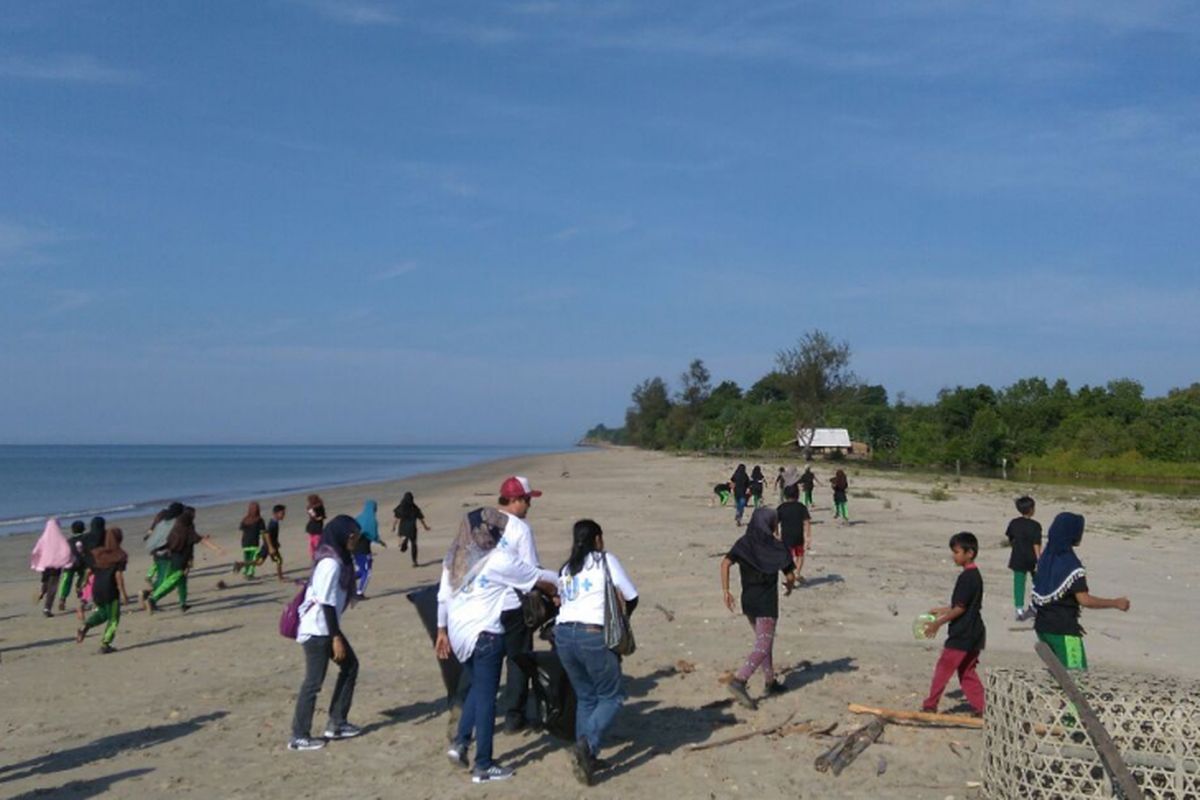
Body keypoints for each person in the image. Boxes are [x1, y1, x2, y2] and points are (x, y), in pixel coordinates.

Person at [436, 488, 559, 783]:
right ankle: (484, 765)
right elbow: (540, 577)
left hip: (460, 634)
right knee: (489, 699)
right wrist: (569, 582)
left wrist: (441, 631)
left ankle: (461, 743)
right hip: (486, 633)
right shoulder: (498, 560)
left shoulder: (455, 558)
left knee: (479, 688)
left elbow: (442, 597)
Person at [555, 519, 639, 786]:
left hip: (563, 636)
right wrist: (623, 620)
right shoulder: (604, 560)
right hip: (592, 635)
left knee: (586, 697)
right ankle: (587, 746)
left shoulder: (567, 568)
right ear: (598, 539)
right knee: (612, 696)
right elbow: (632, 595)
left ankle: (587, 756)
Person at [289, 515, 364, 751]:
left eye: (357, 536)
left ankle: (337, 723)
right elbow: (326, 603)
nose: (355, 539)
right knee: (313, 683)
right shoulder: (330, 564)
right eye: (353, 535)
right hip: (317, 630)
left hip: (326, 627)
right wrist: (336, 638)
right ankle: (299, 736)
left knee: (350, 667)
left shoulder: (340, 559)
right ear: (343, 534)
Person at [1031, 512, 1130, 671]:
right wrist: (1115, 603)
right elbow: (1084, 600)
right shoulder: (1071, 565)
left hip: (1042, 627)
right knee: (1076, 677)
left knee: (1057, 675)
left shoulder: (1045, 559)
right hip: (1064, 630)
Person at [720, 507, 796, 710]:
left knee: (764, 642)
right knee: (763, 645)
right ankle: (740, 680)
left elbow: (725, 564)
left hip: (748, 602)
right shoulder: (777, 547)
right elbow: (790, 575)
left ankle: (770, 682)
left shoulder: (744, 543)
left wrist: (726, 590)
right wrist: (789, 586)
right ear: (772, 524)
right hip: (766, 603)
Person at [921, 532, 986, 715]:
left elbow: (961, 609)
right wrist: (943, 609)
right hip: (975, 631)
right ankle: (984, 708)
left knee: (944, 668)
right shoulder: (974, 576)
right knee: (967, 672)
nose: (954, 556)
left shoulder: (968, 577)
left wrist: (938, 623)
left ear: (969, 553)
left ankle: (930, 705)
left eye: (957, 552)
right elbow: (963, 604)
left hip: (964, 632)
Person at [141, 507, 222, 613]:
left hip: (174, 558)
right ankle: (152, 599)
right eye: (193, 515)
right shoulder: (187, 530)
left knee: (182, 582)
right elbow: (201, 540)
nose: (195, 516)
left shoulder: (175, 529)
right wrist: (217, 549)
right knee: (171, 582)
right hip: (180, 560)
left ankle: (183, 604)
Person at [76, 526, 130, 653]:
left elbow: (89, 570)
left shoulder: (98, 553)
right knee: (113, 617)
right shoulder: (120, 555)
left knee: (103, 613)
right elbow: (118, 575)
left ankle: (86, 625)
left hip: (97, 588)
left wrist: (84, 583)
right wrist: (123, 593)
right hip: (110, 589)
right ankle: (106, 643)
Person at [1005, 496, 1042, 622]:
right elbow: (1036, 544)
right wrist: (1039, 559)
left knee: (1019, 583)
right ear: (1031, 509)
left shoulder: (1014, 523)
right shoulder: (1036, 526)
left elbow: (1011, 538)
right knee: (1038, 582)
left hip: (1018, 556)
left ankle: (1019, 609)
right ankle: (1035, 605)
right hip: (1031, 558)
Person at [31, 517, 74, 617]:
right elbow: (67, 549)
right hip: (55, 566)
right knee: (53, 587)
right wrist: (70, 560)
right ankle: (47, 608)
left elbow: (36, 550)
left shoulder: (43, 538)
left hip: (45, 565)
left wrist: (36, 560)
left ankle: (42, 592)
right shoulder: (60, 538)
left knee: (46, 582)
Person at [144, 502, 184, 588]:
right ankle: (153, 580)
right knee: (163, 562)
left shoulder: (161, 515)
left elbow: (152, 527)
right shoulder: (171, 518)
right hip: (164, 544)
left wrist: (147, 536)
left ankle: (149, 575)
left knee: (157, 560)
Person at [776, 484, 812, 580]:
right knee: (800, 555)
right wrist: (808, 536)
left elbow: (774, 522)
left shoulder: (781, 507)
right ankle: (797, 573)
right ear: (797, 494)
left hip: (786, 536)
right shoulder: (801, 507)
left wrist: (776, 534)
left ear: (785, 495)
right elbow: (807, 522)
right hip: (798, 536)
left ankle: (789, 575)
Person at [352, 499, 387, 598]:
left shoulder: (359, 518)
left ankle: (346, 581)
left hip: (354, 549)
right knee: (367, 573)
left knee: (361, 571)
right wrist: (380, 542)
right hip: (364, 549)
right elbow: (373, 535)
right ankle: (359, 593)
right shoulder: (372, 520)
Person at [57, 520, 89, 611]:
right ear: (83, 529)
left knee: (66, 580)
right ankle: (80, 589)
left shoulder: (68, 541)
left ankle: (62, 599)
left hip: (70, 563)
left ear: (72, 530)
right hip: (83, 562)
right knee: (84, 577)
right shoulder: (86, 538)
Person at [392, 492, 430, 567]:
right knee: (414, 545)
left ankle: (405, 542)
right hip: (412, 528)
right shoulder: (414, 507)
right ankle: (414, 561)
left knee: (405, 537)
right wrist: (425, 527)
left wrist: (393, 527)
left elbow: (396, 518)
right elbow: (421, 518)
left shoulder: (401, 507)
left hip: (403, 528)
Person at [233, 501, 266, 579]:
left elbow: (241, 529)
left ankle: (246, 572)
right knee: (253, 558)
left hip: (245, 542)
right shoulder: (259, 520)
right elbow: (263, 531)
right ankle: (250, 574)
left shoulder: (245, 519)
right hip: (254, 541)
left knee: (247, 558)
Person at [253, 504, 287, 581]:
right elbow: (266, 534)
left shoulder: (275, 522)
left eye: (284, 514)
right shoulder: (272, 524)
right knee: (279, 560)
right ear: (276, 514)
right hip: (269, 547)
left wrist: (276, 542)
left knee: (259, 562)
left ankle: (241, 564)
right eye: (282, 514)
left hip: (269, 546)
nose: (283, 515)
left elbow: (271, 536)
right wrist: (271, 547)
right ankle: (280, 578)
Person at [305, 494, 326, 562]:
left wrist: (319, 517)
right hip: (315, 527)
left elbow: (315, 516)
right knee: (315, 543)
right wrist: (319, 517)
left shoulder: (312, 507)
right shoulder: (313, 507)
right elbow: (315, 517)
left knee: (314, 543)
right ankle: (316, 556)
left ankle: (315, 556)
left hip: (314, 527)